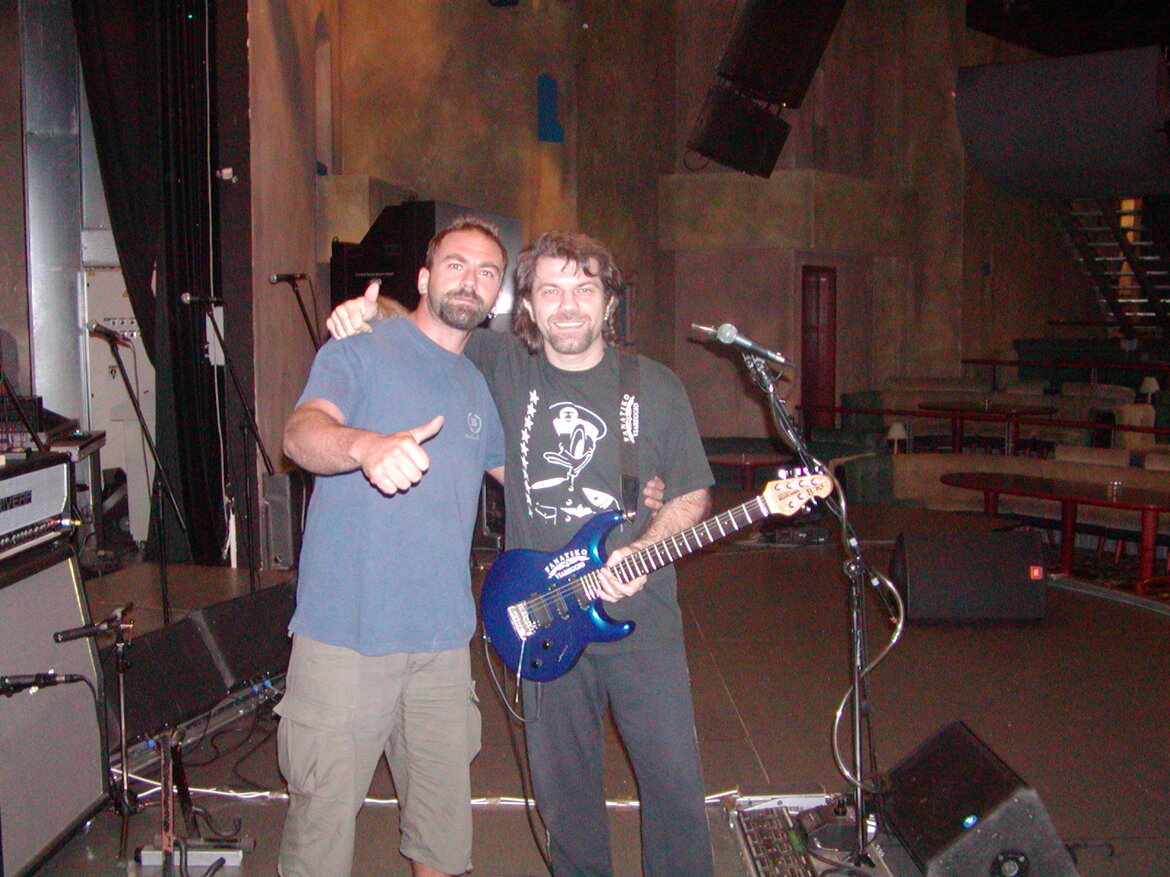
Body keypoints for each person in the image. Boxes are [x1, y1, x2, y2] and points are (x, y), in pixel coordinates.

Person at [328, 230, 716, 877]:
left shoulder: (656, 386)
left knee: (674, 785)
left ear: (609, 302)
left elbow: (691, 490)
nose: (569, 304)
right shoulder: (502, 362)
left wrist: (646, 550)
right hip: (541, 615)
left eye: (585, 288)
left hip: (641, 621)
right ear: (528, 305)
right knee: (564, 795)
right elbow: (428, 322)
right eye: (551, 290)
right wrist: (370, 312)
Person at [276, 218, 510, 877]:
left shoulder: (474, 384)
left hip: (441, 646)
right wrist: (365, 446)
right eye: (456, 264)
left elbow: (520, 482)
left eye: (487, 271)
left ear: (495, 295)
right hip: (347, 639)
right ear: (425, 277)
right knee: (319, 845)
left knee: (443, 846)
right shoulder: (361, 347)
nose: (470, 280)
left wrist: (625, 502)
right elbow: (300, 434)